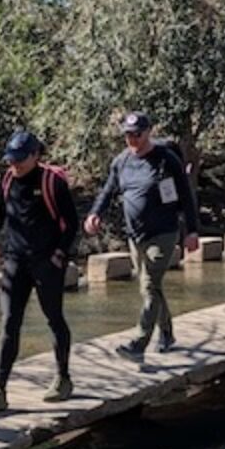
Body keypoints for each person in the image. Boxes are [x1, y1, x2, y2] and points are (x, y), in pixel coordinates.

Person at [0, 130, 79, 413]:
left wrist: (59, 255)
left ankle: (63, 379)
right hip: (15, 261)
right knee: (9, 323)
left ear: (35, 156)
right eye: (11, 159)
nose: (15, 165)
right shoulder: (8, 179)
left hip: (47, 261)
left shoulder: (51, 182)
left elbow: (71, 223)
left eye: (20, 159)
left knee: (54, 318)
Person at [84, 111, 201, 359]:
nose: (132, 140)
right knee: (150, 287)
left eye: (137, 134)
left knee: (149, 285)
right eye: (128, 135)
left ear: (148, 132)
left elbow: (187, 196)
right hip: (135, 235)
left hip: (164, 232)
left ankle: (139, 343)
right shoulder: (121, 162)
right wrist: (95, 214)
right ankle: (167, 333)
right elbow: (107, 191)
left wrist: (192, 231)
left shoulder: (166, 160)